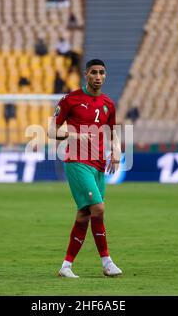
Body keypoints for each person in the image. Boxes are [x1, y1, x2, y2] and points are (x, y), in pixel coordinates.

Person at [48, 59, 123, 278]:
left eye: (101, 73)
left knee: (85, 214)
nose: (98, 77)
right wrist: (75, 135)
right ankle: (107, 262)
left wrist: (116, 151)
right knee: (98, 208)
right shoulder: (70, 100)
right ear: (86, 75)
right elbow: (51, 131)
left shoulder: (109, 103)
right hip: (77, 161)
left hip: (99, 163)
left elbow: (113, 131)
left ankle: (66, 266)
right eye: (93, 73)